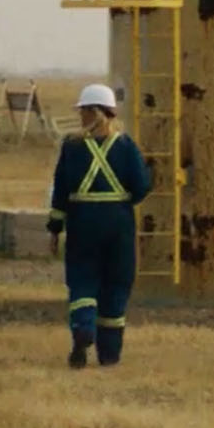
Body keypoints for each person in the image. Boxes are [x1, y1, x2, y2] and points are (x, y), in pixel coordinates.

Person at [47, 82, 151, 369]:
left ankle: (83, 329)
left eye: (82, 111)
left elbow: (60, 191)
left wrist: (55, 229)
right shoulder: (126, 146)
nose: (80, 116)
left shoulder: (71, 147)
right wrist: (122, 201)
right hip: (118, 224)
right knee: (116, 284)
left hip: (82, 222)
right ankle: (109, 354)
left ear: (92, 112)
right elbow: (142, 186)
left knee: (82, 279)